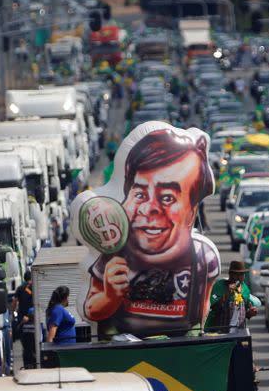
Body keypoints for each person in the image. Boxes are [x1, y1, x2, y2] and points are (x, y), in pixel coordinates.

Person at [82, 128, 220, 337]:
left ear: (192, 211)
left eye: (167, 197)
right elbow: (91, 308)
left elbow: (202, 313)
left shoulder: (203, 258)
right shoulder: (116, 249)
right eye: (139, 194)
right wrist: (109, 298)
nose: (148, 209)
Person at [206, 260, 258, 333]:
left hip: (239, 333)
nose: (238, 277)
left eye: (242, 274)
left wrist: (251, 312)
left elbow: (245, 313)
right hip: (221, 333)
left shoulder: (245, 289)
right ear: (230, 274)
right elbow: (212, 307)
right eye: (236, 274)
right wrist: (227, 294)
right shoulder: (220, 286)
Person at [12, 271, 35, 368]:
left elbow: (14, 301)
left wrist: (13, 312)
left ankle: (27, 365)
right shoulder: (34, 287)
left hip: (22, 320)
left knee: (25, 345)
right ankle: (35, 362)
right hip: (34, 318)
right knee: (34, 343)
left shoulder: (20, 288)